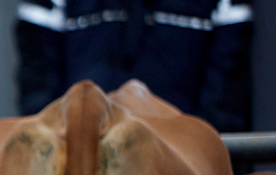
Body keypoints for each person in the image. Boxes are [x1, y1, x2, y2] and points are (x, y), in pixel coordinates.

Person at [16, 0, 254, 131]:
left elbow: (226, 80)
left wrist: (199, 152)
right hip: (81, 161)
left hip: (179, 165)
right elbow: (38, 71)